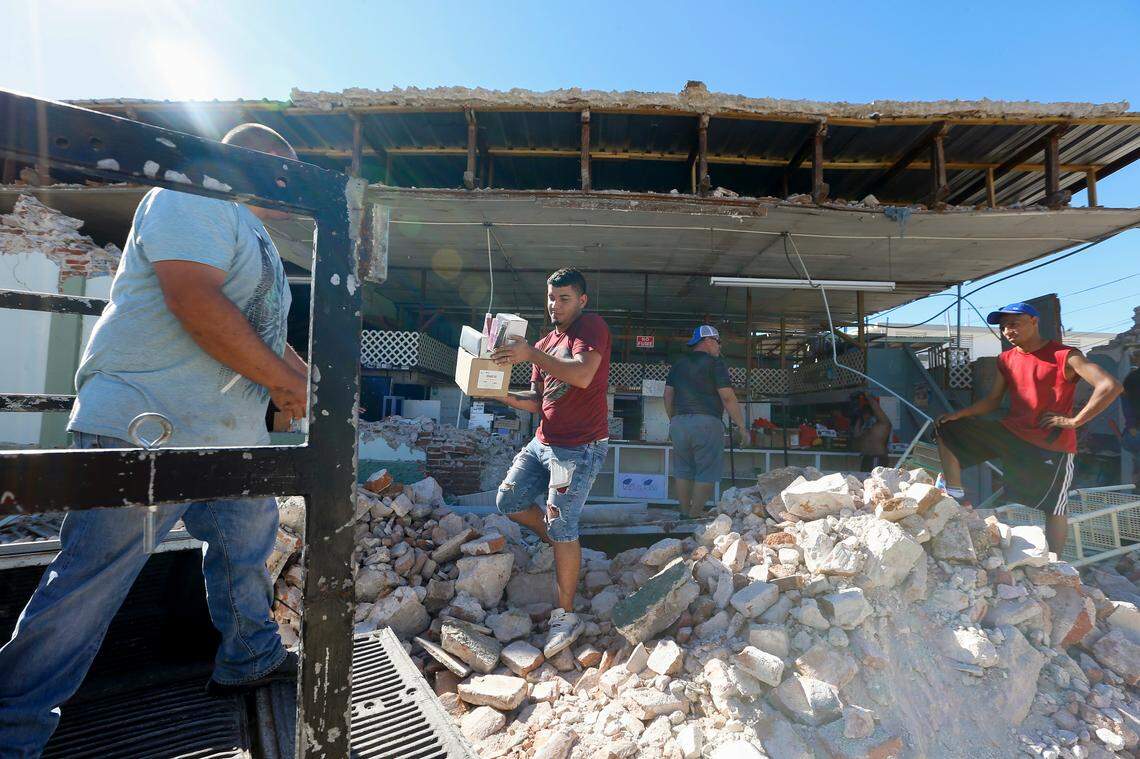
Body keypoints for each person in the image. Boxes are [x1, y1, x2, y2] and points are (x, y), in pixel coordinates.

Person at [0, 124, 309, 755]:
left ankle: (249, 656)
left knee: (245, 546)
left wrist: (306, 381)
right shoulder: (193, 196)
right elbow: (191, 300)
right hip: (151, 425)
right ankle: (12, 724)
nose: (291, 182)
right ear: (249, 161)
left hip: (225, 435)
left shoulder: (251, 232)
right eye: (285, 168)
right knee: (93, 580)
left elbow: (262, 329)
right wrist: (284, 384)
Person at [935, 302, 1122, 554]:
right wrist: (959, 414)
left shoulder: (1065, 355)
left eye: (1014, 323)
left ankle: (1055, 563)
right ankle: (956, 493)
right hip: (1012, 433)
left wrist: (1075, 421)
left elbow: (1109, 386)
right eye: (1003, 327)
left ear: (1034, 321)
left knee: (1055, 506)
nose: (1008, 331)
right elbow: (992, 400)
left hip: (1050, 442)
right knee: (948, 428)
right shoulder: (1006, 359)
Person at [490, 268, 611, 658]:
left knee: (562, 522)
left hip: (579, 447)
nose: (555, 305)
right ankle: (564, 545)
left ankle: (566, 613)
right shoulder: (544, 342)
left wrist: (530, 353)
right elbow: (537, 401)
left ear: (582, 301)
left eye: (564, 298)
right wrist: (498, 393)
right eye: (551, 298)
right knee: (508, 501)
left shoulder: (591, 327)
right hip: (542, 442)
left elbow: (582, 375)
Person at [664, 325, 746, 518]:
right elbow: (727, 397)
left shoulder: (679, 363)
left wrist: (673, 420)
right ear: (708, 341)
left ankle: (684, 513)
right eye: (718, 342)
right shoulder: (716, 364)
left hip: (679, 422)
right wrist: (742, 426)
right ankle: (694, 516)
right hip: (707, 422)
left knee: (683, 470)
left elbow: (667, 394)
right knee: (706, 471)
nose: (719, 347)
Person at [851, 392, 892, 471]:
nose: (865, 416)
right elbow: (856, 435)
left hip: (877, 457)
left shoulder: (883, 424)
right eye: (863, 414)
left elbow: (876, 408)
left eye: (866, 414)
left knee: (875, 481)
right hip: (867, 458)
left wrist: (868, 396)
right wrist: (859, 419)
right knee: (865, 481)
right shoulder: (866, 427)